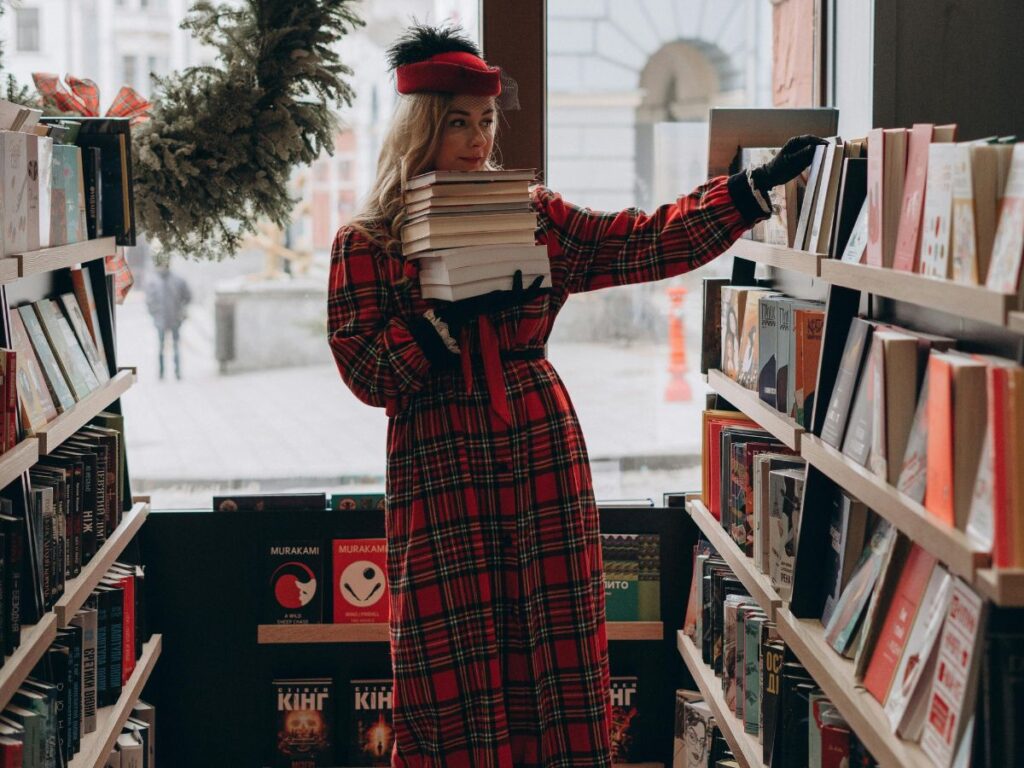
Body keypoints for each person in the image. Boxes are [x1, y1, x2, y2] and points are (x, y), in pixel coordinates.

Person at [327, 24, 821, 768]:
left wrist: (745, 194)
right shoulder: (366, 242)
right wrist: (435, 328)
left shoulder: (529, 212)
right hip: (438, 458)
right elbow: (363, 371)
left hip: (537, 443)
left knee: (554, 638)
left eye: (485, 121)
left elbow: (638, 242)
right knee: (443, 650)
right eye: (456, 121)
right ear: (419, 124)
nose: (474, 139)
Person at [145, 263, 192, 380]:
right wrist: (154, 314)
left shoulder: (178, 280)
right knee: (161, 347)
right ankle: (161, 372)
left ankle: (177, 372)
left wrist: (181, 311)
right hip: (161, 319)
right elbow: (149, 301)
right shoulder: (154, 282)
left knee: (175, 346)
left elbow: (188, 297)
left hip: (175, 318)